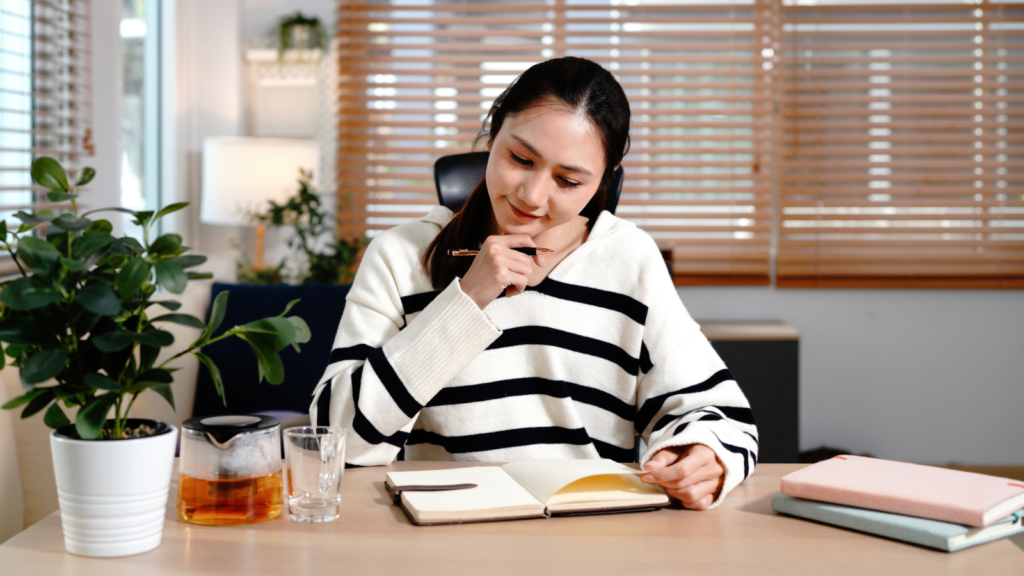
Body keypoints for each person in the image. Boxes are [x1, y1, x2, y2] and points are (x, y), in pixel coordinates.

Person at [310, 57, 757, 510]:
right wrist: (466, 301)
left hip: (592, 535)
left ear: (604, 181)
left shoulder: (628, 258)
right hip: (449, 536)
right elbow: (339, 442)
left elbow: (720, 417)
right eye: (520, 159)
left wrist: (705, 456)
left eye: (567, 180)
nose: (532, 195)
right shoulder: (399, 256)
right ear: (492, 133)